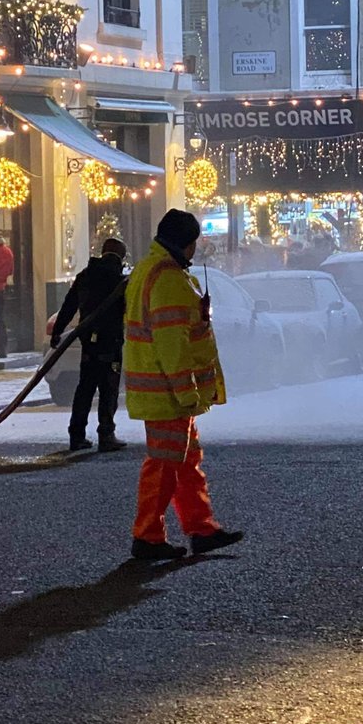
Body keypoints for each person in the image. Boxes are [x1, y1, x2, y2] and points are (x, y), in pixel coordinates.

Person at [124, 209, 243, 562]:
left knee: (186, 461)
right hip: (168, 395)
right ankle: (147, 537)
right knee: (163, 465)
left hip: (164, 391)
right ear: (187, 243)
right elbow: (172, 344)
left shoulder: (151, 270)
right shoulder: (170, 280)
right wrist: (187, 392)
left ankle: (202, 529)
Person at [51, 238, 129, 453]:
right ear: (121, 257)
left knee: (84, 388)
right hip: (110, 342)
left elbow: (68, 306)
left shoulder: (84, 276)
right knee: (108, 389)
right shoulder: (120, 280)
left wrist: (57, 332)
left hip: (88, 343)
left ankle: (76, 436)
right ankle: (106, 434)